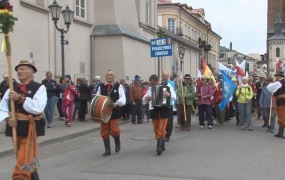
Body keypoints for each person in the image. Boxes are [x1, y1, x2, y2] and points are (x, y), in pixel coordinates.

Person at [0, 60, 47, 180]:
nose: (19, 71)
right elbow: (2, 108)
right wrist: (8, 120)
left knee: (23, 160)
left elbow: (38, 108)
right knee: (24, 159)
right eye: (17, 70)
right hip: (15, 126)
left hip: (29, 127)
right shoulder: (12, 88)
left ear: (31, 72)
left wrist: (20, 98)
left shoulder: (39, 87)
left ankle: (19, 178)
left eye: (22, 69)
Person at [143, 74, 176, 155]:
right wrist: (146, 98)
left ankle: (159, 147)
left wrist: (169, 95)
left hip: (164, 110)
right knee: (156, 129)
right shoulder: (151, 89)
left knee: (161, 128)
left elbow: (174, 97)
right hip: (154, 111)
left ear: (158, 81)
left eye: (153, 83)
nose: (152, 85)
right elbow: (144, 99)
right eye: (151, 84)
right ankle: (162, 143)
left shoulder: (167, 86)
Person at [96, 70, 126, 156]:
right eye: (108, 75)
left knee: (114, 130)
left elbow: (123, 99)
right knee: (104, 131)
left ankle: (117, 141)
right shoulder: (101, 86)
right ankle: (107, 149)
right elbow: (97, 98)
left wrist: (117, 103)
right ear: (105, 76)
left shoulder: (118, 86)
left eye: (111, 75)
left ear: (114, 76)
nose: (109, 76)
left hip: (114, 111)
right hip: (103, 112)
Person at [267, 72, 285, 138]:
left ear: (278, 76)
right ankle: (280, 132)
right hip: (282, 101)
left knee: (282, 117)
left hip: (282, 102)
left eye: (276, 76)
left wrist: (273, 83)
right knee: (282, 117)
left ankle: (282, 133)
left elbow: (269, 88)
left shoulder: (279, 83)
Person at [161, 71, 175, 142]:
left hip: (169, 104)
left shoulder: (169, 85)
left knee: (169, 121)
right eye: (164, 75)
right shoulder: (158, 84)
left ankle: (168, 135)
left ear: (168, 76)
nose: (165, 77)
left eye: (166, 75)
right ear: (161, 76)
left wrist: (169, 95)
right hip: (160, 105)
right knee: (162, 120)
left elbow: (174, 96)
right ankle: (161, 133)